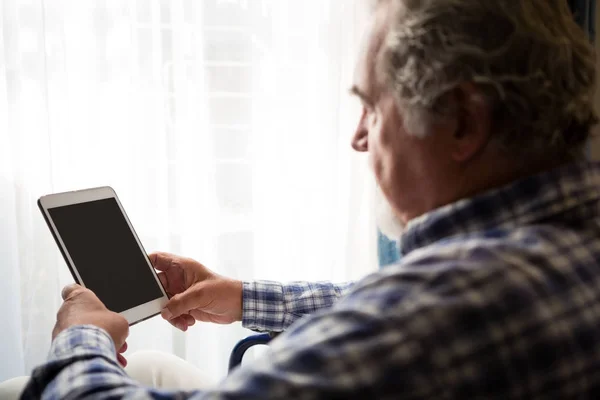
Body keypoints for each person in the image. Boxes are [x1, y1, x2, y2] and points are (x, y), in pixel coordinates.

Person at [5, 0, 600, 397]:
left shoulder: (457, 302)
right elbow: (369, 304)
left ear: (464, 124)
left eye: (371, 106)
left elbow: (403, 317)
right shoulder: (558, 239)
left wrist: (78, 339)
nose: (358, 137)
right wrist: (242, 297)